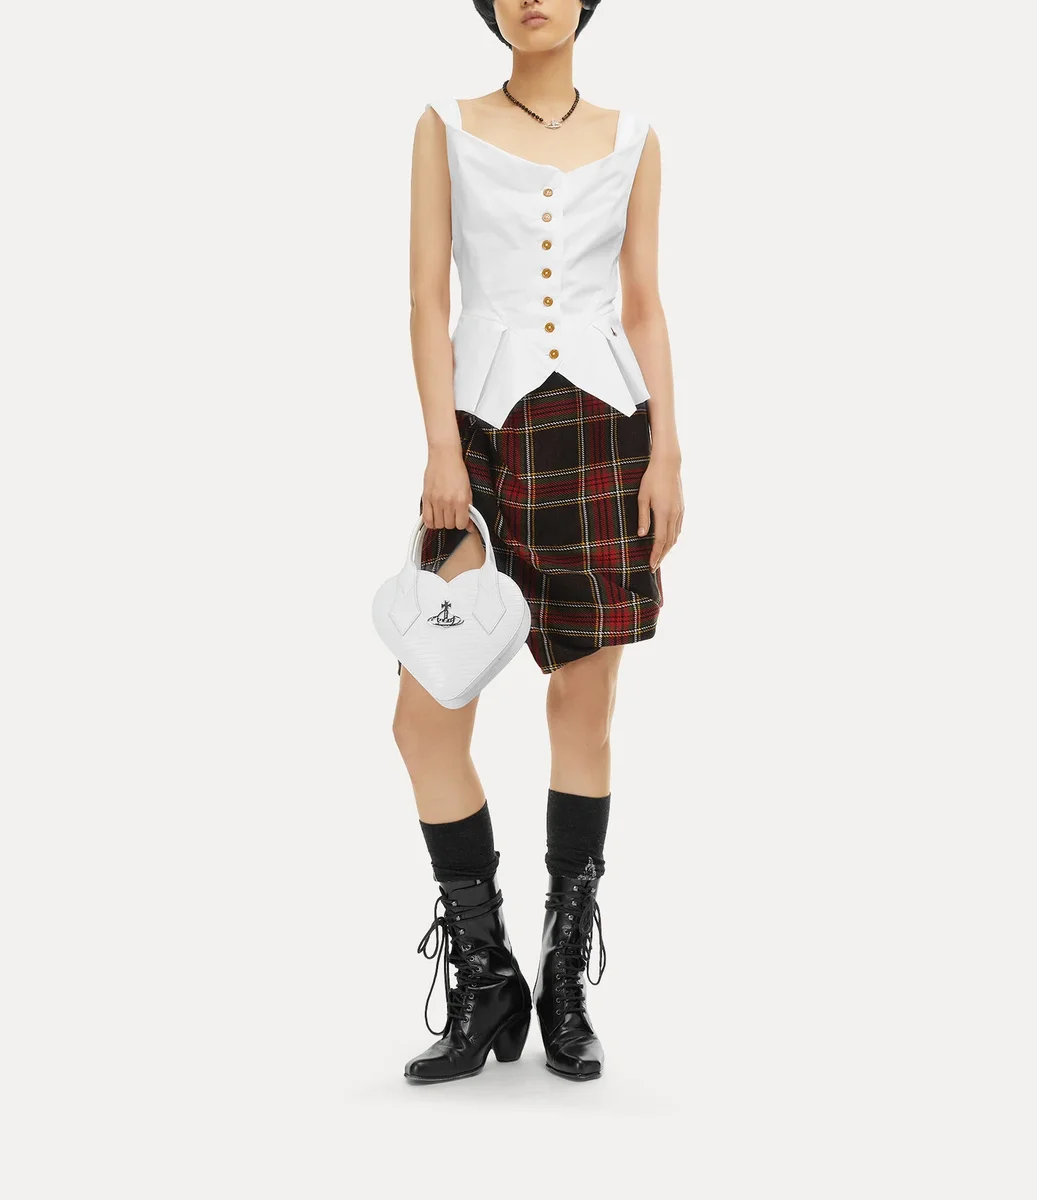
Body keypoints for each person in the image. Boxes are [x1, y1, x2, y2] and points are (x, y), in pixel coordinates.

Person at [394, 0, 683, 1083]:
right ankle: (486, 976)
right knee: (424, 718)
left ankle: (562, 981)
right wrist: (439, 450)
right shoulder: (444, 121)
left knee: (582, 711)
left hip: (602, 432)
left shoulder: (634, 134)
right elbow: (425, 299)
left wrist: (667, 453)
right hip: (476, 436)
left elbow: (643, 303)